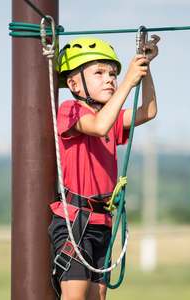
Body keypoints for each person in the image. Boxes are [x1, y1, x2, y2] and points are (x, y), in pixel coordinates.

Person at [49, 35, 160, 300]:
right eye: (99, 73)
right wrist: (128, 81)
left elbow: (149, 111)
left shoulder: (108, 117)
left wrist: (145, 68)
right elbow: (98, 127)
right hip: (75, 221)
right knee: (75, 296)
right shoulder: (70, 110)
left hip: (103, 223)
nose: (110, 78)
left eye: (112, 73)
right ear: (74, 84)